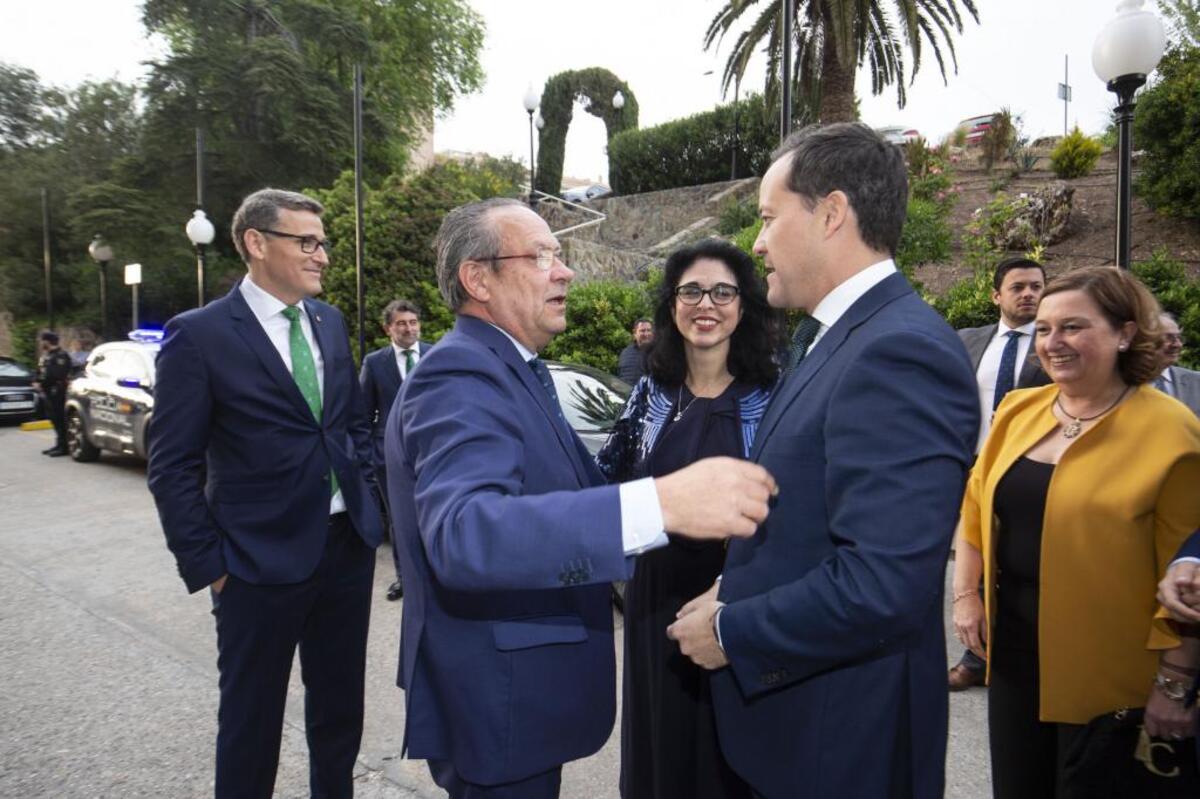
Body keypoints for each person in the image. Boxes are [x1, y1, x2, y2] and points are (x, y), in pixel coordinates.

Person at [384, 197, 777, 799]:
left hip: (523, 699)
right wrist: (662, 504)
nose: (565, 271)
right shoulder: (461, 373)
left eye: (561, 255)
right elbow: (466, 532)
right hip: (500, 703)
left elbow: (579, 488)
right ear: (477, 278)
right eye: (542, 255)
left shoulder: (518, 371)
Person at [668, 123, 980, 798]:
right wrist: (734, 586)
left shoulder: (900, 352)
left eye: (769, 218)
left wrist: (732, 628)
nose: (756, 242)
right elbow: (806, 517)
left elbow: (882, 583)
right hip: (800, 737)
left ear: (831, 214)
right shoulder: (830, 338)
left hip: (841, 749)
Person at [147, 188, 384, 799]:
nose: (323, 255)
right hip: (254, 566)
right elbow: (172, 464)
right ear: (256, 243)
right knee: (251, 723)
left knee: (339, 716)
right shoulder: (198, 336)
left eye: (323, 242)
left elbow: (350, 424)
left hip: (344, 550)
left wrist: (370, 505)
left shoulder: (328, 322)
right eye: (306, 242)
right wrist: (212, 567)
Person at [951, 266, 1200, 798]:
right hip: (1015, 658)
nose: (1052, 342)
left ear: (1125, 333)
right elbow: (976, 506)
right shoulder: (1018, 410)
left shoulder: (1172, 432)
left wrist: (1175, 687)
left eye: (1072, 327)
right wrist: (966, 595)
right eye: (1043, 329)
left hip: (1113, 677)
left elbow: (1189, 578)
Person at [596, 238, 782, 799]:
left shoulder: (771, 397)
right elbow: (607, 479)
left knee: (729, 756)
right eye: (691, 291)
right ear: (672, 306)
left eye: (722, 291)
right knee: (661, 747)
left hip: (738, 597)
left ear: (744, 305)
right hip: (654, 599)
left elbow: (790, 504)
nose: (707, 304)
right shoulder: (650, 394)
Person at [949, 256, 1050, 691]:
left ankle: (983, 659)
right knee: (969, 559)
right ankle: (977, 649)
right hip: (967, 466)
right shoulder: (967, 341)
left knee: (1009, 562)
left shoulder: (1053, 345)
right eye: (1018, 287)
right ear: (996, 296)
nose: (1029, 294)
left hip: (1022, 471)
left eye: (1036, 287)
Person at [360, 299, 432, 602]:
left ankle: (436, 575)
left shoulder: (435, 354)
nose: (408, 328)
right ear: (388, 328)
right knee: (400, 519)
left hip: (432, 453)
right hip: (389, 458)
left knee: (434, 513)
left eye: (413, 322)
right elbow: (362, 415)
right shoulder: (375, 363)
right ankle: (406, 579)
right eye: (401, 323)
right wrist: (368, 457)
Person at [1152, 312, 1200, 415]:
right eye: (1169, 338)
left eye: (1179, 337)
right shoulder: (1121, 383)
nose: (1178, 344)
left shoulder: (1197, 382)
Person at [35, 331, 73, 456]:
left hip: (58, 392)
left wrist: (42, 383)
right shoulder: (46, 356)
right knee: (54, 419)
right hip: (47, 392)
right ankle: (58, 444)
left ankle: (64, 447)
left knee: (60, 419)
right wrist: (36, 381)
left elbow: (56, 375)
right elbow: (41, 371)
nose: (40, 343)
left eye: (42, 341)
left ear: (47, 341)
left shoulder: (61, 356)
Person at [617, 318, 654, 384]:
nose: (646, 334)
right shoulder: (626, 353)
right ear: (635, 333)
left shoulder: (659, 353)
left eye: (649, 330)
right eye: (642, 331)